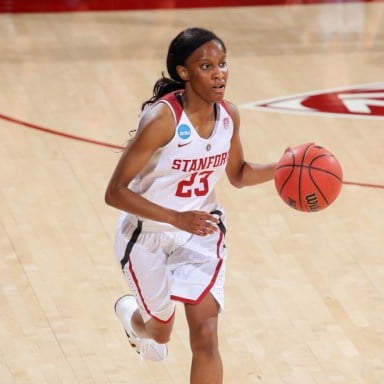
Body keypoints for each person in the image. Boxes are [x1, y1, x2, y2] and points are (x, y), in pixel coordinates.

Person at [104, 27, 276, 384]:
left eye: (223, 63)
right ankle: (133, 318)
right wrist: (175, 218)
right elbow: (115, 192)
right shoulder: (161, 120)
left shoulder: (229, 115)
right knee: (161, 331)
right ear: (183, 72)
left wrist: (285, 167)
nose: (219, 73)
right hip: (146, 234)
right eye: (207, 66)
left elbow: (239, 174)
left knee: (206, 336)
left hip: (200, 231)